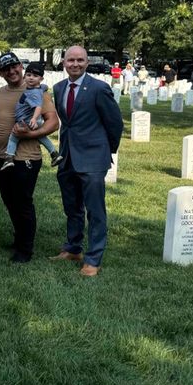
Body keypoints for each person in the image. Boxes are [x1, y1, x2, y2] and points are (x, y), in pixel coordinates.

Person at [51, 46, 124, 277]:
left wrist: (105, 152)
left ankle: (93, 258)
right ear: (64, 62)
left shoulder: (99, 88)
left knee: (95, 211)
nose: (75, 64)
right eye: (71, 60)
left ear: (86, 62)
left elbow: (115, 124)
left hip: (93, 158)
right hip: (67, 157)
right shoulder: (59, 87)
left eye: (80, 60)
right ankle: (73, 248)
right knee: (72, 207)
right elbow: (67, 123)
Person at [0, 53, 58, 264]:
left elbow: (53, 123)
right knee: (9, 201)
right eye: (6, 69)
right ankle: (19, 238)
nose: (11, 72)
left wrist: (29, 134)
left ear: (21, 67)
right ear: (1, 73)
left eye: (14, 67)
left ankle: (25, 249)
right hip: (1, 156)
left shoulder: (36, 91)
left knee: (23, 202)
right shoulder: (0, 93)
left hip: (26, 158)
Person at [0, 61, 61, 169]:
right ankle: (54, 153)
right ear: (24, 76)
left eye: (35, 76)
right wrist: (43, 87)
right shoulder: (37, 89)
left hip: (26, 120)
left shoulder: (35, 93)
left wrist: (34, 118)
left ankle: (9, 158)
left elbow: (38, 106)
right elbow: (43, 87)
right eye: (29, 75)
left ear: (41, 78)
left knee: (13, 137)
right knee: (42, 137)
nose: (31, 78)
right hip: (29, 119)